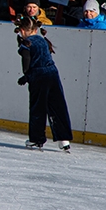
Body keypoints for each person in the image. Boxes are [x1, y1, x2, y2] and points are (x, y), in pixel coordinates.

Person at [14, 16, 72, 151]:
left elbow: (26, 65)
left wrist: (26, 77)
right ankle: (64, 139)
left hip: (38, 76)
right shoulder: (43, 40)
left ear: (22, 30)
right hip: (53, 73)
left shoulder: (26, 43)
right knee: (57, 106)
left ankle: (36, 139)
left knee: (37, 108)